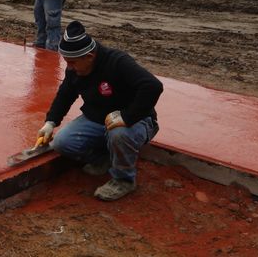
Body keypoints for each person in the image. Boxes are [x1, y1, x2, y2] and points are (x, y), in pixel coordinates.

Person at [35, 21, 163, 201]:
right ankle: (104, 159)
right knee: (62, 142)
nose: (69, 67)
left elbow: (152, 86)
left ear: (89, 56)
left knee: (119, 134)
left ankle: (123, 180)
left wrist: (127, 117)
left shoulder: (117, 62)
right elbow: (65, 94)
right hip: (98, 118)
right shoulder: (75, 68)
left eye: (72, 62)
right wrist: (50, 122)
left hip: (137, 120)